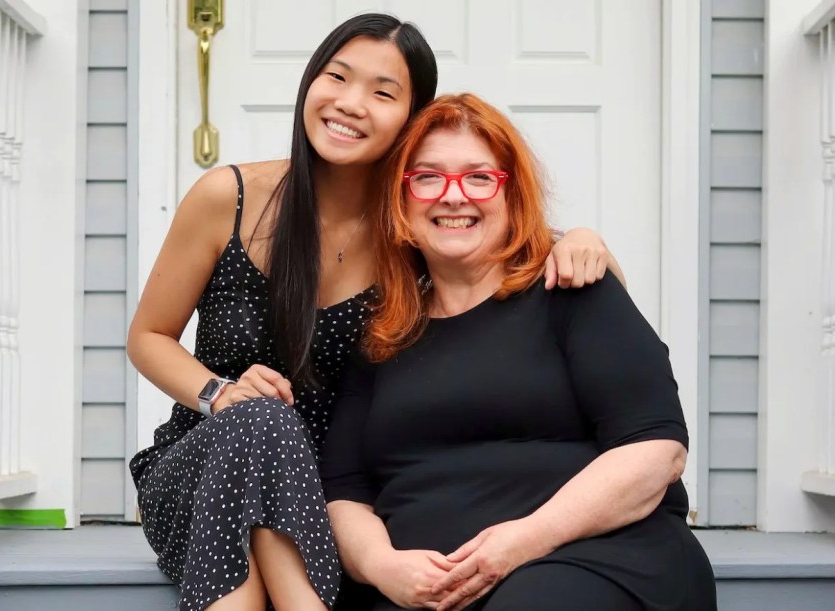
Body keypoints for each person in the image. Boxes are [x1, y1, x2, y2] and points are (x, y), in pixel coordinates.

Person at [127, 14, 623, 611]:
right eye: (337, 77)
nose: (350, 103)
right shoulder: (227, 199)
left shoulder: (417, 228)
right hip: (204, 472)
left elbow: (528, 249)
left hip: (337, 499)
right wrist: (220, 394)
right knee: (260, 421)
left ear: (413, 120)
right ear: (310, 84)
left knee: (270, 438)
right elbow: (149, 336)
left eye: (383, 92)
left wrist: (584, 240)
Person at [320, 92, 717, 611]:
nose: (453, 195)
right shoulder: (380, 334)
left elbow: (655, 452)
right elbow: (345, 490)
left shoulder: (572, 290)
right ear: (401, 199)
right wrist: (382, 566)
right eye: (428, 177)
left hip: (593, 559)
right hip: (427, 591)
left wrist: (520, 542)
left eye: (479, 177)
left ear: (513, 195)